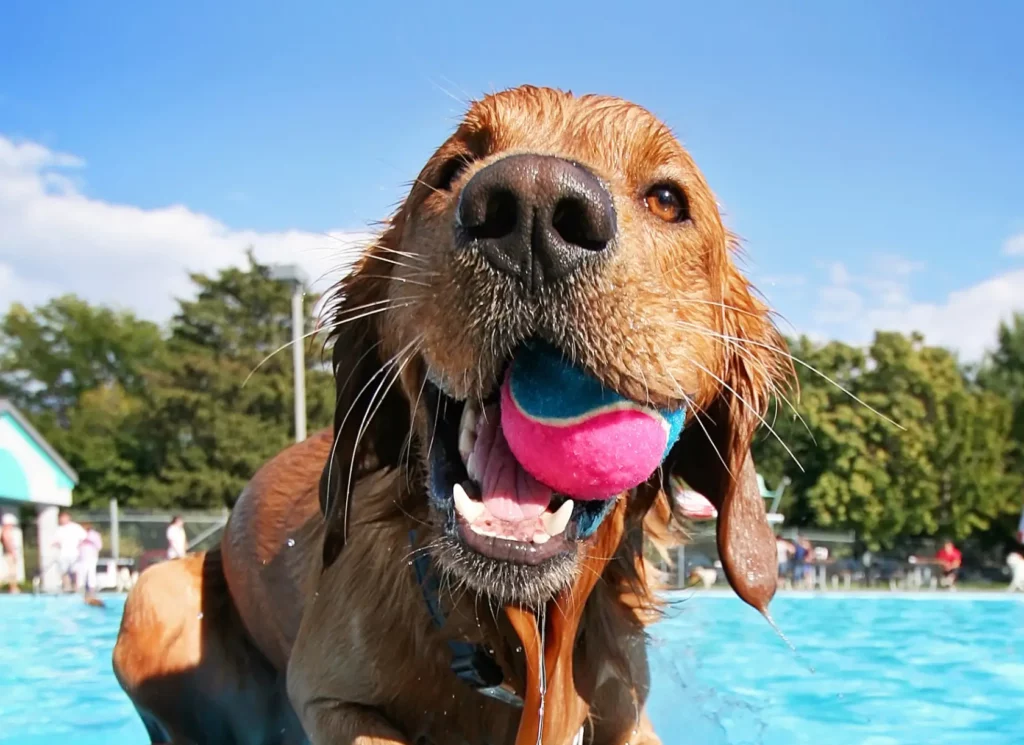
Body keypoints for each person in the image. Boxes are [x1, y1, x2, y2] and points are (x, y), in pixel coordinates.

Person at [53, 511, 86, 592]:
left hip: (74, 554)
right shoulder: (59, 529)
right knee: (64, 571)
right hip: (63, 554)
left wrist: (79, 546)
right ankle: (67, 587)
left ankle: (76, 587)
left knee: (75, 571)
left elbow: (84, 537)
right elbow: (55, 541)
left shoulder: (75, 527)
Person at [76, 522, 103, 603]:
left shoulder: (95, 535)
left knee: (91, 573)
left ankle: (92, 590)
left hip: (92, 557)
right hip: (81, 558)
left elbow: (99, 546)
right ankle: (80, 590)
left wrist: (90, 541)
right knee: (81, 574)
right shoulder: (79, 535)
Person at [2, 514, 21, 593]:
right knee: (11, 572)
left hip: (10, 553)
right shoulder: (6, 531)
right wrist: (12, 553)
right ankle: (13, 588)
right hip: (9, 554)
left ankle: (13, 587)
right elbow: (7, 543)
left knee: (12, 571)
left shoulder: (6, 531)